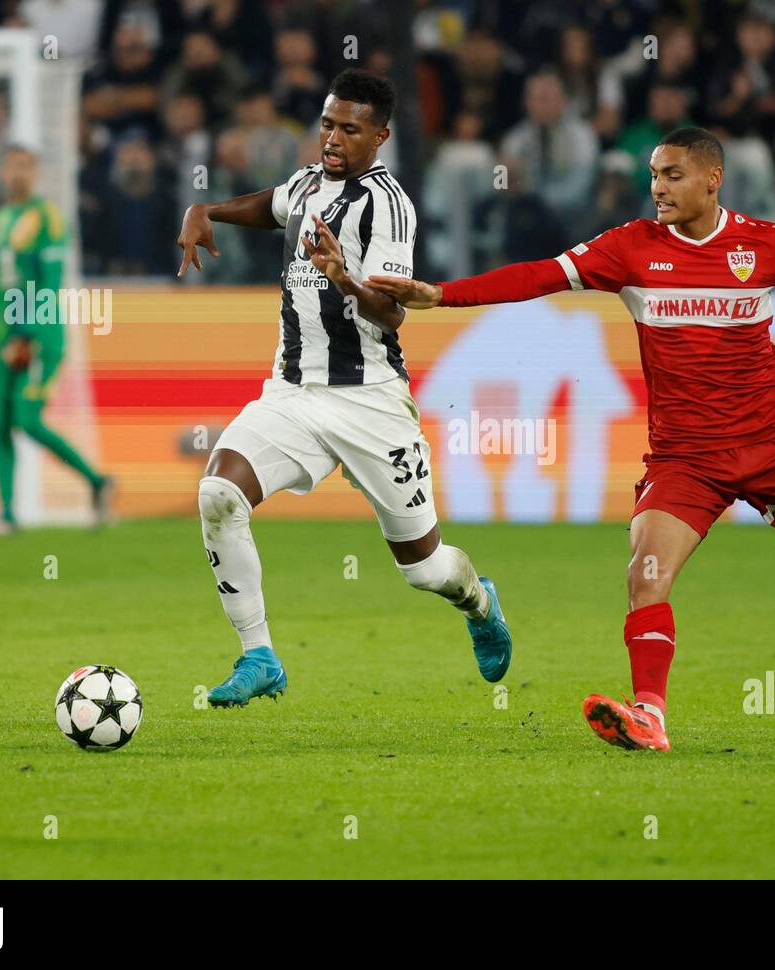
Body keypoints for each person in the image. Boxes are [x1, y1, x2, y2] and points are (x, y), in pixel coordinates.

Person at [368, 127, 775, 752]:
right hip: (685, 459)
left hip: (773, 443)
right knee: (646, 577)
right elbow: (536, 277)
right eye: (653, 175)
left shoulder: (764, 245)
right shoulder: (630, 249)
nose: (658, 187)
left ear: (713, 178)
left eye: (672, 175)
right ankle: (650, 715)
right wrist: (440, 295)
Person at [174, 69, 512, 708]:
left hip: (370, 403)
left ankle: (479, 600)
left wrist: (343, 277)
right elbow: (270, 205)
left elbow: (392, 313)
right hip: (295, 393)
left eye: (349, 129)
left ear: (379, 137)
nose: (333, 137)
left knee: (425, 569)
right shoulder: (307, 183)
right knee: (219, 493)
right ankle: (259, 655)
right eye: (328, 122)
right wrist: (206, 209)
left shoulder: (388, 207)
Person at [0, 145, 112, 534]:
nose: (18, 173)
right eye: (11, 166)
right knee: (2, 422)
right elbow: (1, 285)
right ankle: (7, 515)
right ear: (3, 172)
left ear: (36, 172)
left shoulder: (47, 218)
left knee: (27, 418)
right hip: (1, 337)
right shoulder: (1, 218)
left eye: (25, 166)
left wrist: (26, 336)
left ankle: (97, 480)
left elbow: (49, 285)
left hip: (40, 335)